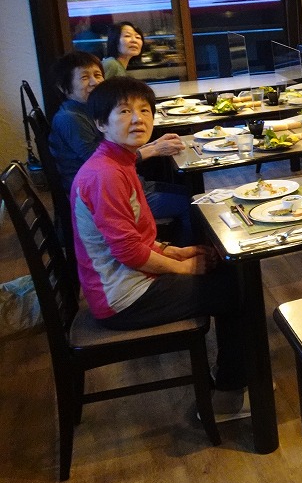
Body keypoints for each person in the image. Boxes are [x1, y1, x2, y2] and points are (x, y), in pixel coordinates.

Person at [71, 78, 249, 420]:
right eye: (125, 111)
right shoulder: (104, 175)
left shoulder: (118, 162)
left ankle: (234, 376)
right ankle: (230, 393)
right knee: (236, 288)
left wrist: (174, 251)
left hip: (127, 283)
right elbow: (129, 252)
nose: (138, 119)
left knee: (229, 267)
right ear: (100, 123)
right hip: (123, 300)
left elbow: (135, 237)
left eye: (144, 110)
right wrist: (184, 267)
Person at [49, 51, 194, 243]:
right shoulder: (70, 118)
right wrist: (154, 149)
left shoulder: (88, 111)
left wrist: (154, 144)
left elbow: (115, 149)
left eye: (98, 75)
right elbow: (98, 158)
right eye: (84, 77)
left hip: (127, 185)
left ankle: (170, 245)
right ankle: (188, 253)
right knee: (191, 204)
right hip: (104, 197)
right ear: (64, 87)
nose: (94, 82)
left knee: (192, 192)